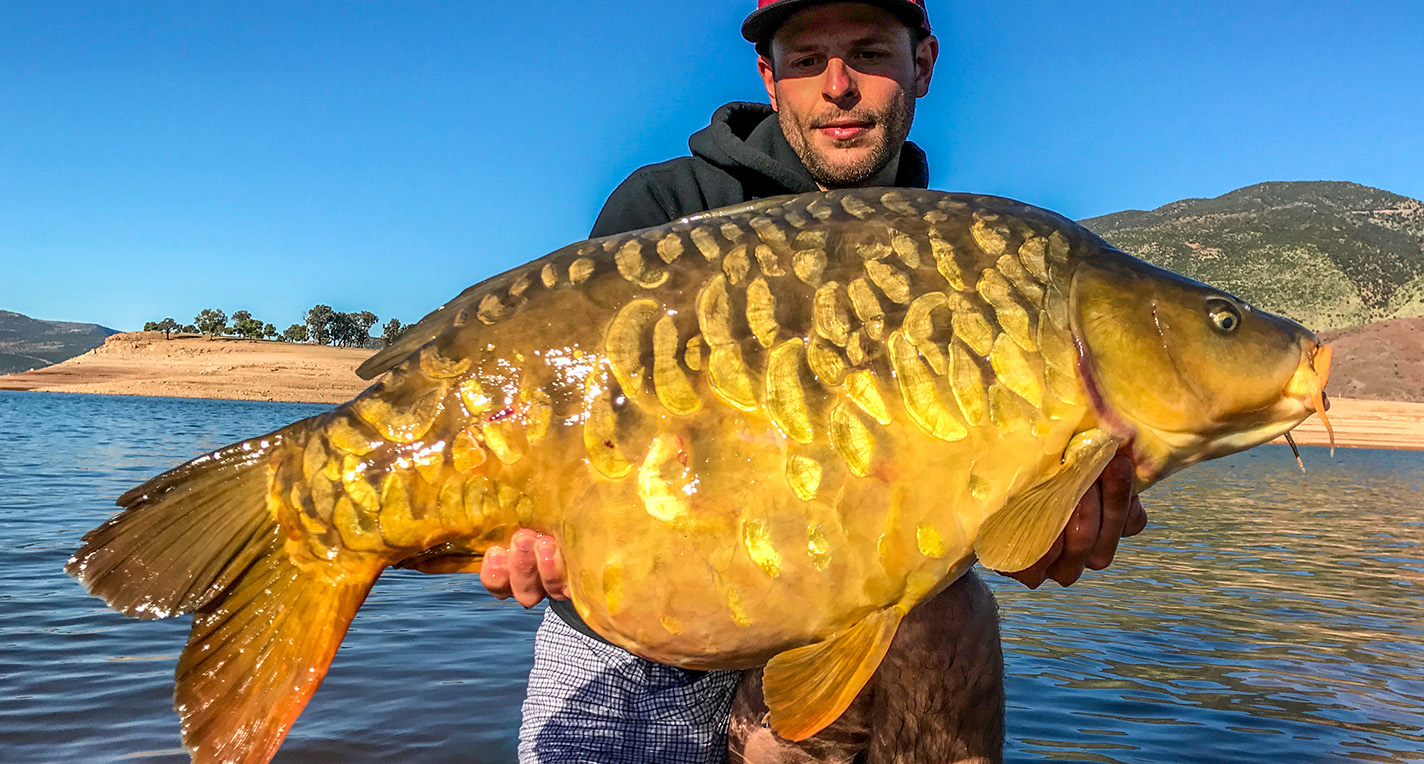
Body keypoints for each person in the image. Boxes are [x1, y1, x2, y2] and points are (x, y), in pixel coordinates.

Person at [482, 1, 1147, 761]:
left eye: (867, 53)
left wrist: (1031, 532)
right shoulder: (661, 210)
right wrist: (540, 524)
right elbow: (567, 420)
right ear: (769, 77)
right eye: (806, 61)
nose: (838, 85)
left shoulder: (958, 261)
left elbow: (978, 514)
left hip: (842, 630)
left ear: (922, 64)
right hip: (644, 634)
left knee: (944, 606)